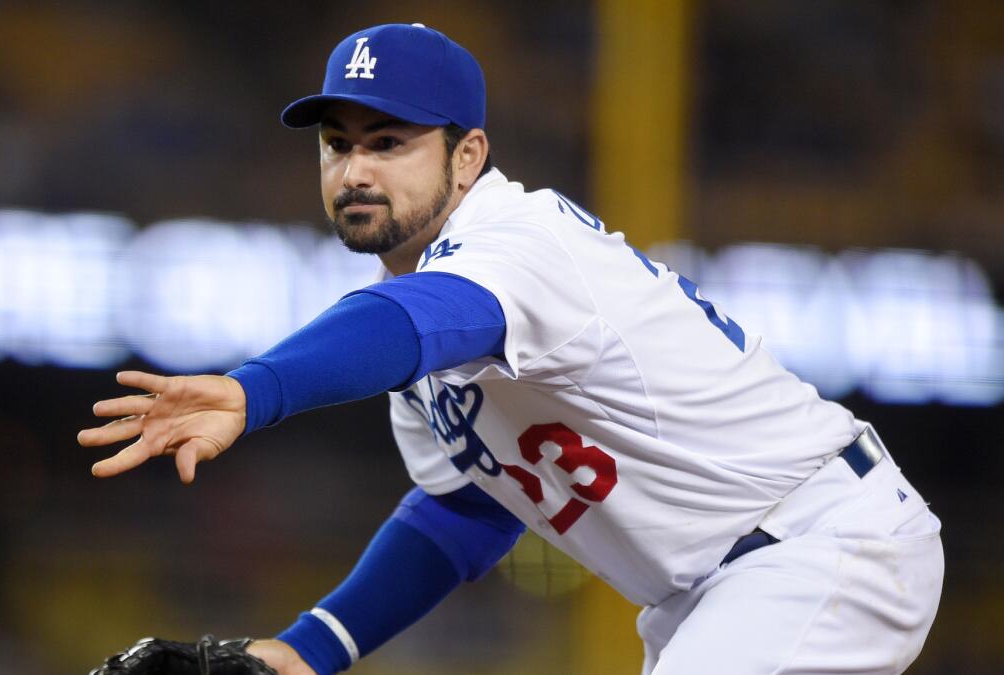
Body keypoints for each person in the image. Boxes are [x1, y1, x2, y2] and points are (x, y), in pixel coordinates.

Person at [78, 23, 944, 675]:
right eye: (338, 144)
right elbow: (469, 510)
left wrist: (252, 390)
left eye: (390, 142)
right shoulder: (413, 311)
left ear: (468, 156)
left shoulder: (517, 240)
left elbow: (431, 318)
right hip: (711, 590)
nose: (356, 171)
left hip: (820, 541)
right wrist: (306, 652)